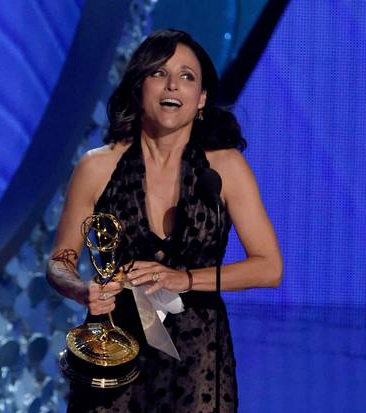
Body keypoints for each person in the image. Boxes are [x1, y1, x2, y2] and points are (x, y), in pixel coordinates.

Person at [46, 28, 283, 412]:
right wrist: (79, 289)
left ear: (202, 98)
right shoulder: (97, 167)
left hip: (198, 361)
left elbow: (269, 267)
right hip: (113, 355)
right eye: (159, 73)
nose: (173, 85)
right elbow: (60, 260)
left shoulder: (225, 168)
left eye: (187, 76)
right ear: (139, 87)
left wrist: (184, 279)